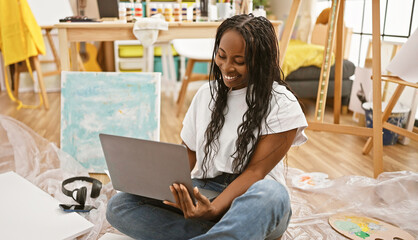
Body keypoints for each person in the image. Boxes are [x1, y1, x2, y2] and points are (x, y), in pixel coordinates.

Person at [106, 14, 308, 240]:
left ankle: (237, 229)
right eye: (221, 56)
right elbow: (188, 152)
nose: (227, 67)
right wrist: (171, 189)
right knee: (120, 205)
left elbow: (255, 173)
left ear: (260, 61)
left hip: (252, 199)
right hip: (206, 190)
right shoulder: (206, 94)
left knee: (272, 193)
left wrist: (215, 209)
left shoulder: (282, 103)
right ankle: (235, 234)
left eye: (239, 61)